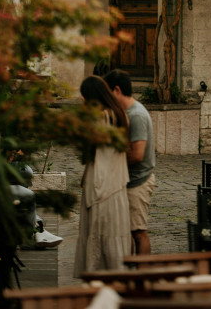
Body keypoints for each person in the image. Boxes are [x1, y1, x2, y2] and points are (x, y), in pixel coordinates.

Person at [74, 75, 131, 275]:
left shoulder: (103, 118)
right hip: (115, 186)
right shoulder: (119, 115)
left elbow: (83, 141)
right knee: (112, 238)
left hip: (102, 187)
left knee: (101, 238)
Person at [105, 68, 156, 255]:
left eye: (108, 94)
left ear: (116, 90)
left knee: (138, 232)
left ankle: (142, 277)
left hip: (138, 182)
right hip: (129, 181)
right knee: (127, 233)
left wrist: (110, 162)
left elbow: (137, 154)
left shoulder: (136, 115)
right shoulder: (127, 113)